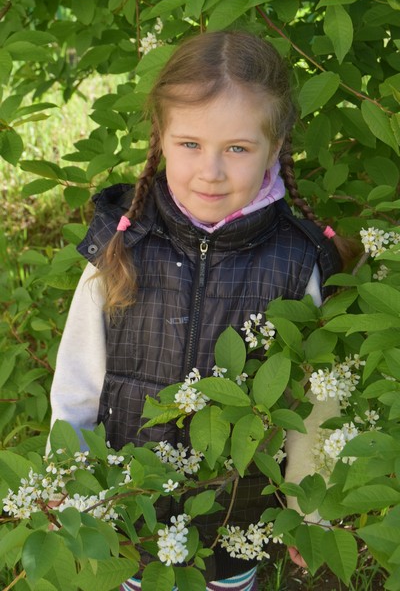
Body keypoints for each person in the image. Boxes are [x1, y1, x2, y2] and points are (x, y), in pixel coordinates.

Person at [50, 30, 348, 591]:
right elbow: (77, 385)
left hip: (237, 522)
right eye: (190, 143)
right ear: (161, 138)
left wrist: (310, 510)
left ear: (274, 146)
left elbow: (315, 406)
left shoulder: (299, 262)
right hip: (129, 513)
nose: (211, 171)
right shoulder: (122, 245)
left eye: (237, 148)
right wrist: (70, 488)